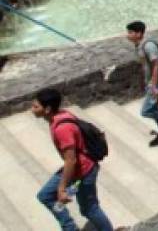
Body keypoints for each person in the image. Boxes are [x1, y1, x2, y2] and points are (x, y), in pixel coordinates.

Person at [32, 88, 115, 231]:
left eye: (35, 106)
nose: (32, 109)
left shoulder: (62, 129)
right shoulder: (61, 115)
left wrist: (62, 188)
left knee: (89, 208)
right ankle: (70, 228)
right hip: (77, 171)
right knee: (45, 196)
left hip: (84, 172)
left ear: (47, 109)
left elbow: (71, 160)